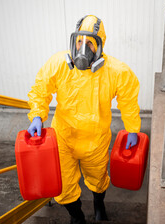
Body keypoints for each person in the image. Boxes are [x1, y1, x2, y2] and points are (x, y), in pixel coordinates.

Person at [27, 15, 141, 224]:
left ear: (100, 44)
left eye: (90, 42)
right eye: (80, 41)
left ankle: (99, 205)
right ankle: (76, 216)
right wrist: (37, 115)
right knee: (64, 184)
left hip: (95, 140)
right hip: (63, 138)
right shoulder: (58, 64)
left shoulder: (116, 72)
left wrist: (132, 128)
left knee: (98, 179)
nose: (83, 48)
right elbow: (40, 90)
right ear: (73, 41)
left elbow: (128, 101)